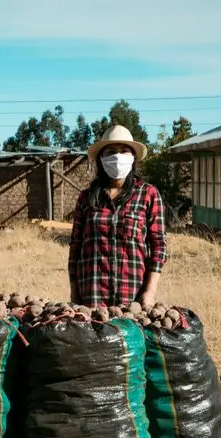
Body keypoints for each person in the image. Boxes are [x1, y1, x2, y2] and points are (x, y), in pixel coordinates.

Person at [68, 125, 167, 307]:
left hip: (132, 296)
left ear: (133, 157)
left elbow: (158, 246)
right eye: (111, 152)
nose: (118, 157)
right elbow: (75, 246)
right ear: (101, 158)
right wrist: (74, 292)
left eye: (124, 151)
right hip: (92, 296)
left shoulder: (148, 194)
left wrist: (150, 292)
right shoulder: (87, 198)